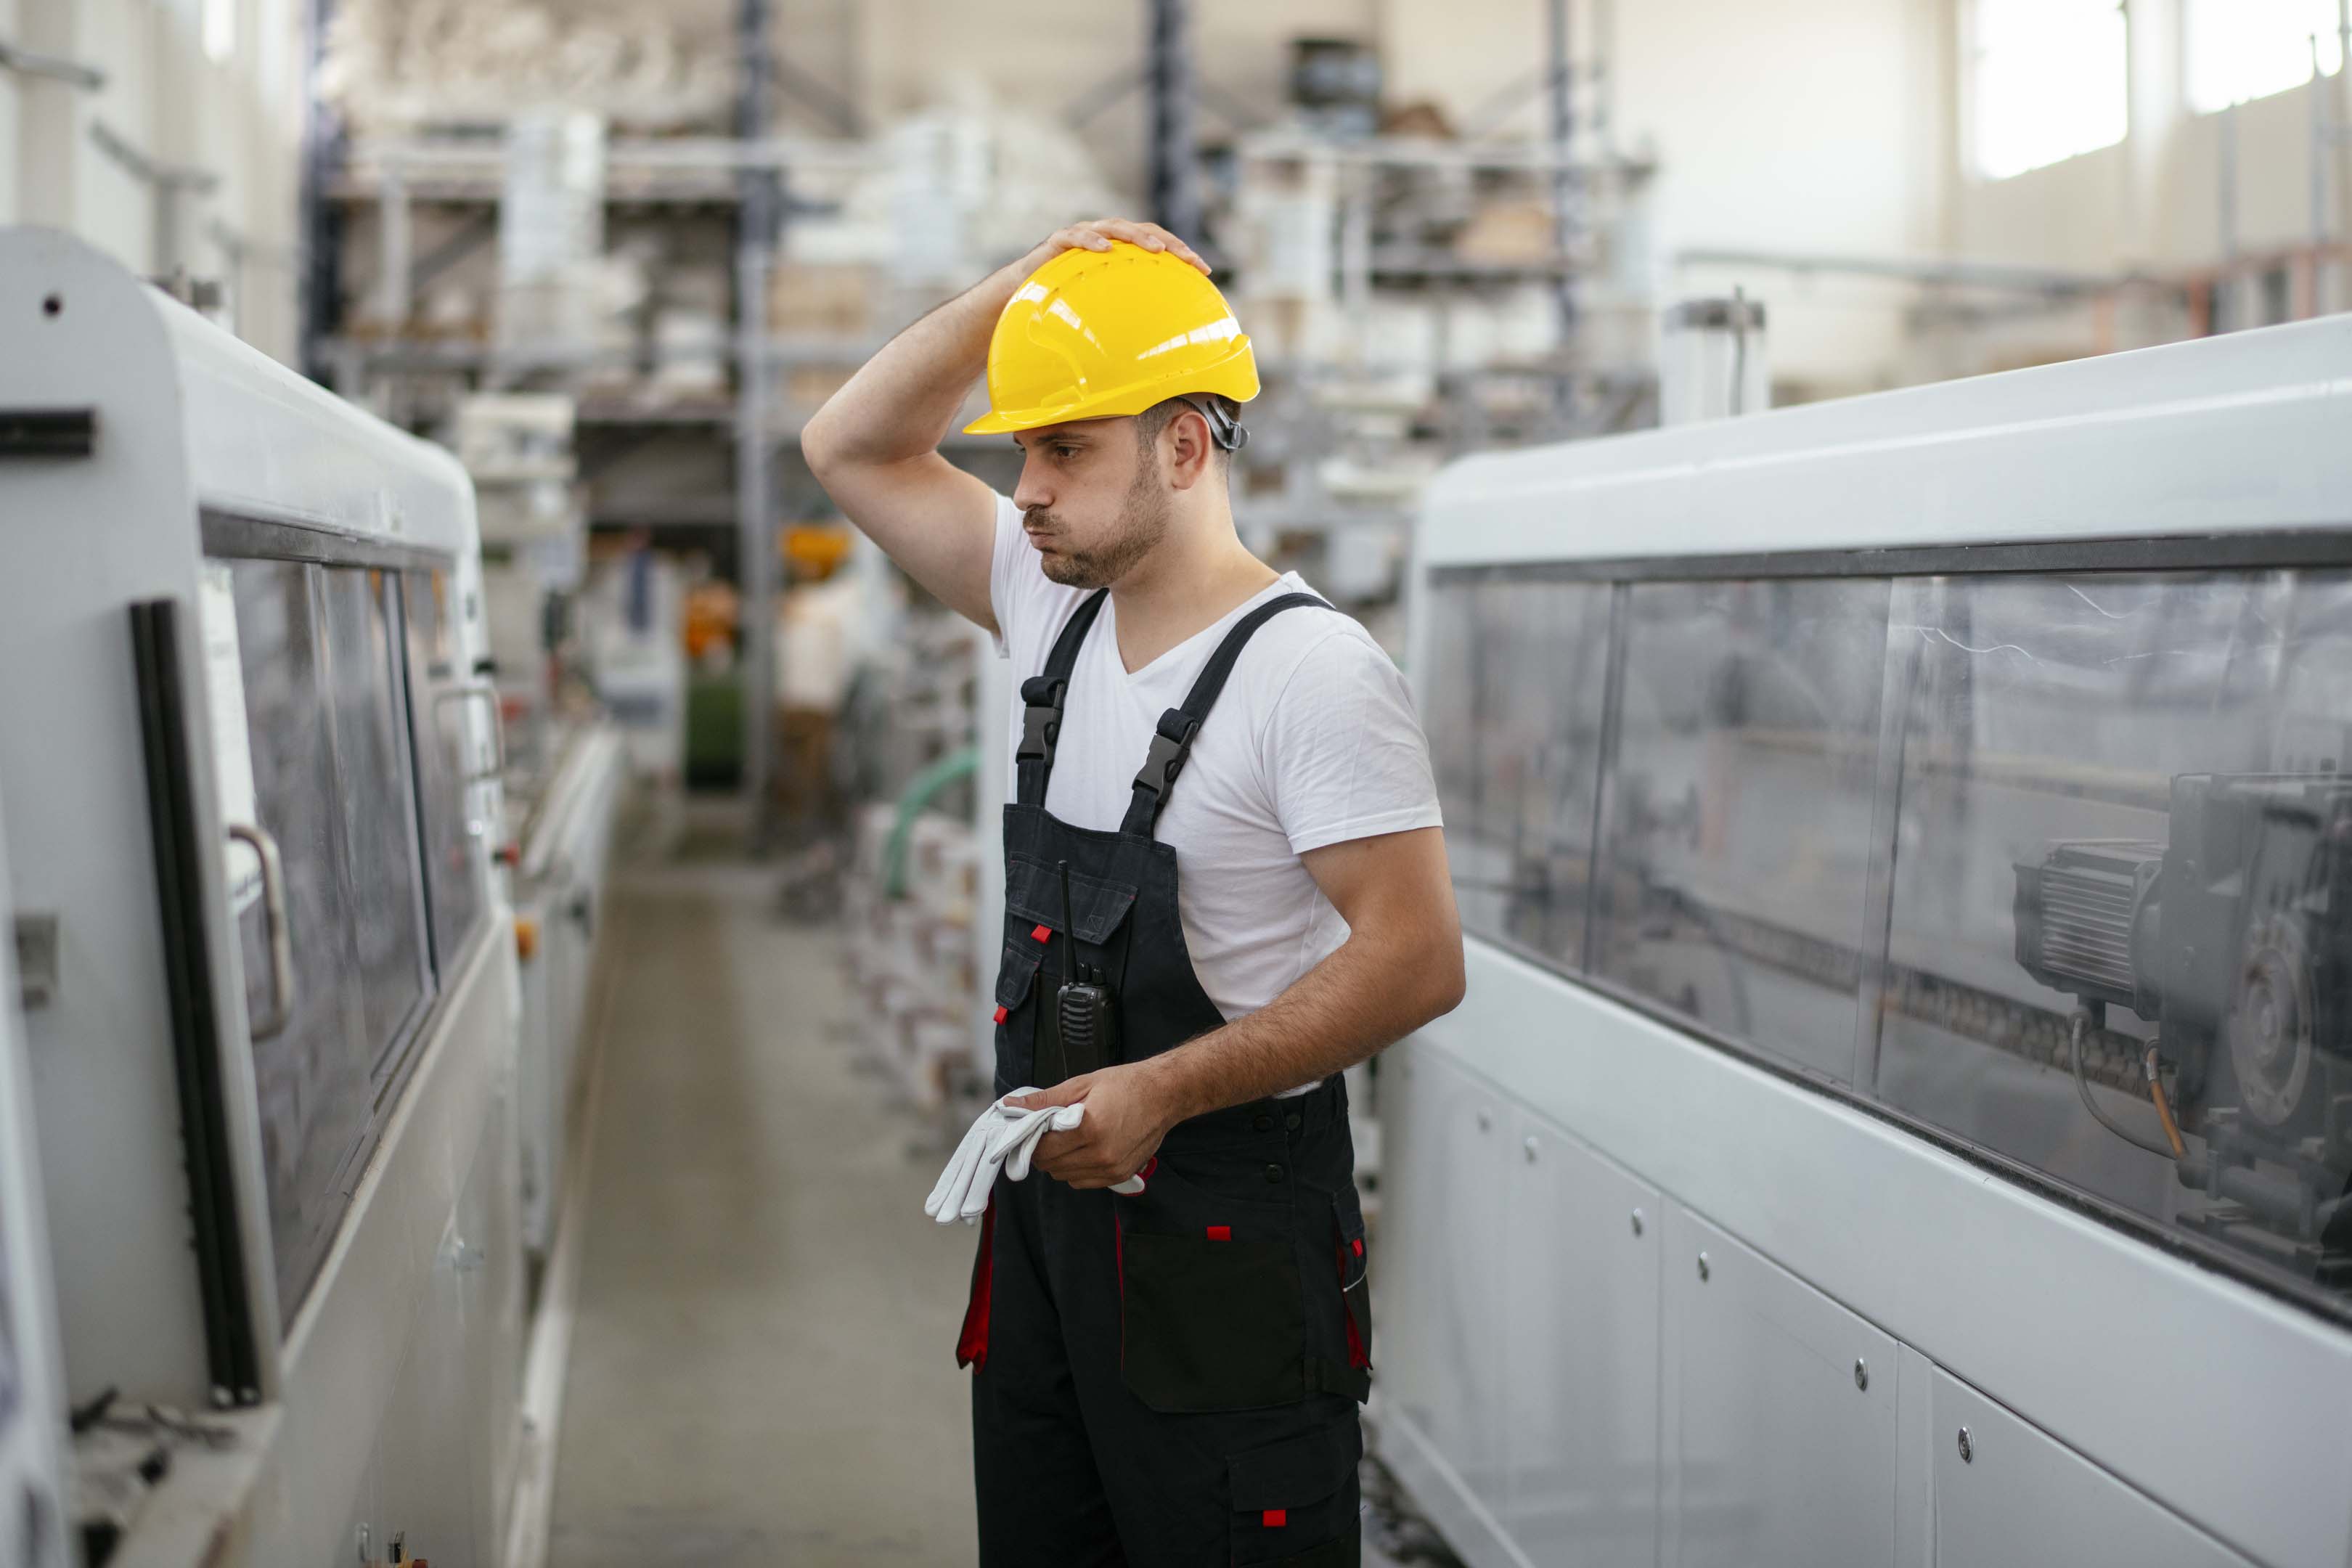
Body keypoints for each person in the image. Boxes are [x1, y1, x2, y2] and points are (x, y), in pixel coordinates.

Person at [801, 217, 1465, 1568]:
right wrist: (1033, 282)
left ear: (1183, 444)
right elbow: (850, 447)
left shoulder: (1310, 677)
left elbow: (1417, 957)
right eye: (1022, 452)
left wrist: (1165, 1089)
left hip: (1227, 1233)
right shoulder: (1056, 607)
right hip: (1052, 1227)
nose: (1026, 488)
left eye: (1065, 449)